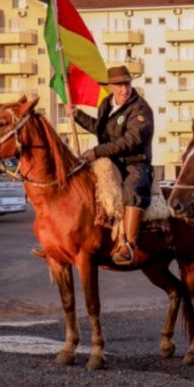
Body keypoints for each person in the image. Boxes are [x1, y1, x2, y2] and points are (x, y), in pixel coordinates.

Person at [66, 65, 154, 266]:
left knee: (133, 188)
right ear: (110, 87)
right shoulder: (107, 104)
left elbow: (131, 140)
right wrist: (77, 115)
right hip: (110, 162)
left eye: (128, 84)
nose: (125, 89)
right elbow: (101, 130)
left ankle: (128, 245)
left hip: (134, 162)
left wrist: (97, 152)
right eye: (119, 85)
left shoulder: (141, 108)